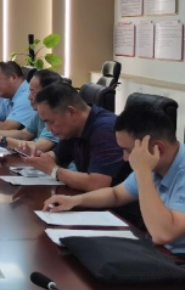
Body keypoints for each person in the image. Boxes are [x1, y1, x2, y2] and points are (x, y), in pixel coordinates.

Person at [44, 104, 185, 256]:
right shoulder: (154, 165)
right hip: (159, 251)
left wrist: (143, 172)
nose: (125, 158)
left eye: (128, 151)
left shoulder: (151, 167)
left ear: (158, 148)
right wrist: (75, 201)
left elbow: (163, 234)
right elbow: (116, 194)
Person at [22, 82, 131, 192]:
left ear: (71, 113)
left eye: (51, 122)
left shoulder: (105, 130)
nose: (48, 128)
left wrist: (54, 170)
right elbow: (56, 156)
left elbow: (97, 184)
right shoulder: (74, 128)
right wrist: (37, 158)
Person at [0, 69, 62, 153]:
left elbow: (38, 147)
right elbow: (23, 134)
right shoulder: (39, 113)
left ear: (47, 94)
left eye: (32, 92)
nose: (29, 97)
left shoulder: (56, 117)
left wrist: (1, 140)